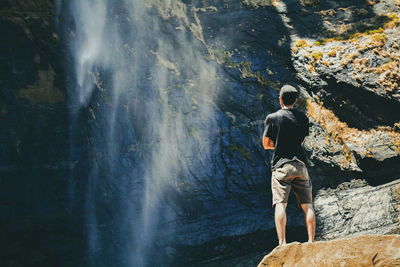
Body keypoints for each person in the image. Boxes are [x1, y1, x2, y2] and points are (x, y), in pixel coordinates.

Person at [262, 84, 315, 246]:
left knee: (280, 204)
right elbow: (301, 141)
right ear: (296, 100)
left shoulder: (272, 118)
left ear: (280, 100)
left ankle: (282, 242)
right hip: (300, 164)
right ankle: (311, 241)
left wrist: (278, 145)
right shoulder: (303, 118)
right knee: (308, 205)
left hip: (281, 166)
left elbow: (266, 144)